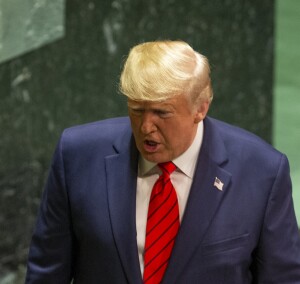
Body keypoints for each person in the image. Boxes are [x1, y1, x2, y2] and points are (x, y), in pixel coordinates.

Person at [25, 40, 300, 283]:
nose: (146, 127)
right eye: (137, 110)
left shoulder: (262, 172)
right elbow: (47, 271)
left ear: (200, 108)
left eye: (162, 113)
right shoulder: (77, 155)